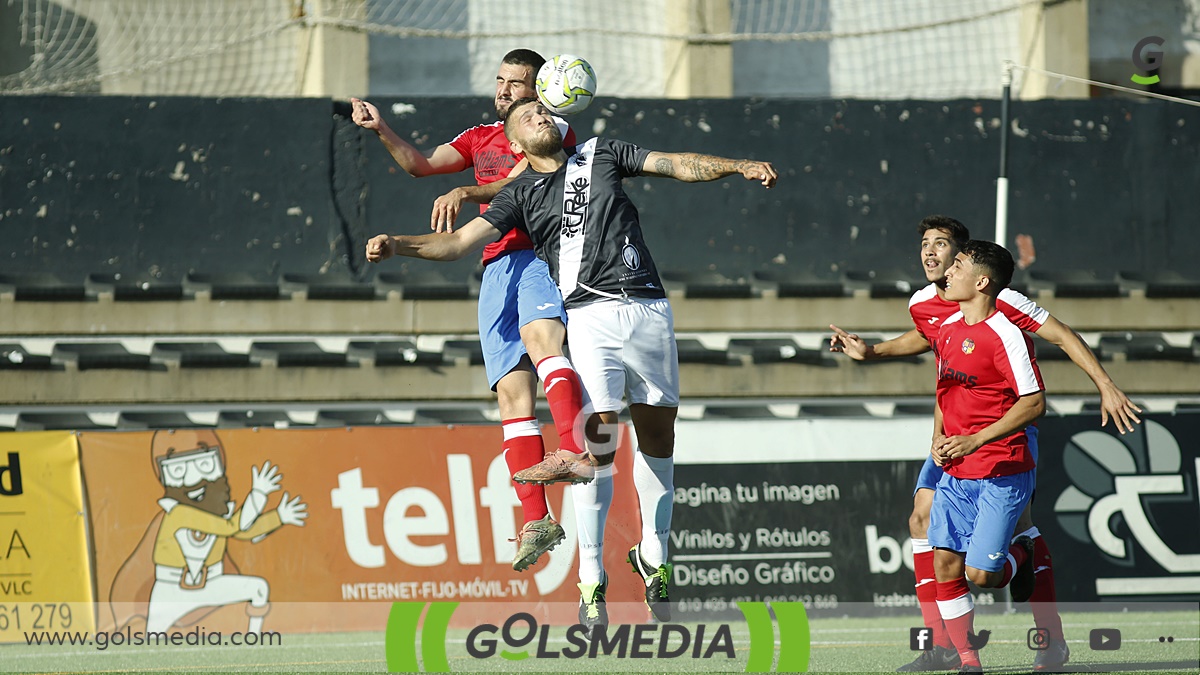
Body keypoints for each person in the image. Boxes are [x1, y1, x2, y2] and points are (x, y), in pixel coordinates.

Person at [364, 96, 777, 637]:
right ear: (513, 144)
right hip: (588, 318)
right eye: (528, 116)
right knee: (596, 445)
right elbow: (459, 242)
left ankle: (655, 553)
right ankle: (590, 577)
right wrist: (399, 245)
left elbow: (674, 162)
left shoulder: (601, 153)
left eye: (545, 111)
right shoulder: (517, 193)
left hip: (650, 307)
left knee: (658, 439)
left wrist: (736, 165)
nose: (541, 116)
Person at [829, 216, 1142, 673]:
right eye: (926, 244)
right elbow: (928, 342)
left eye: (944, 246)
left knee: (1015, 537)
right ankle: (945, 645)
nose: (933, 253)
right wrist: (871, 351)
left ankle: (1049, 639)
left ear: (965, 258)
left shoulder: (1003, 304)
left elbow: (1061, 336)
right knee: (922, 517)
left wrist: (1105, 384)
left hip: (1004, 429)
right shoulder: (924, 305)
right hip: (954, 432)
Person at [350, 50, 586, 574]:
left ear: (539, 89)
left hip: (540, 253)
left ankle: (572, 447)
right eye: (500, 80)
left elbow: (523, 179)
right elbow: (419, 164)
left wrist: (467, 188)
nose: (504, 90)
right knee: (510, 395)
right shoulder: (480, 135)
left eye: (517, 83)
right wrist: (382, 127)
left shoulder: (549, 129)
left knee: (544, 342)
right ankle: (538, 519)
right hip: (496, 265)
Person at [927, 240, 1048, 673]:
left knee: (983, 577)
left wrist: (975, 440)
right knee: (944, 561)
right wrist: (939, 438)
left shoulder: (1006, 334)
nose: (948, 267)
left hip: (1001, 468)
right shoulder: (946, 329)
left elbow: (1034, 404)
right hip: (956, 468)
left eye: (957, 263)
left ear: (981, 281)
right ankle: (968, 662)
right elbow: (945, 392)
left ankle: (1023, 555)